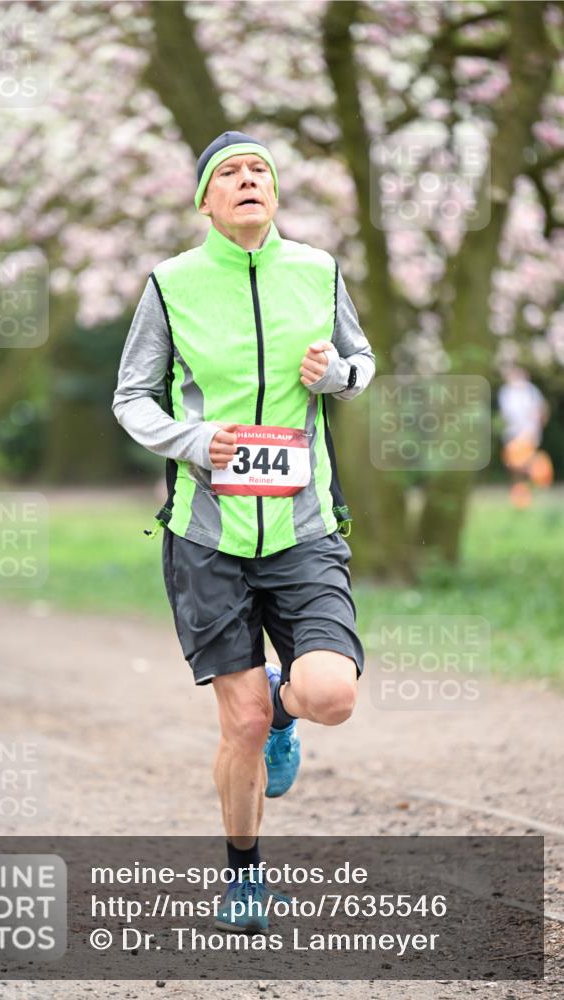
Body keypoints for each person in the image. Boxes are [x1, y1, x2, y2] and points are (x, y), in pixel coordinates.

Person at [112, 131, 375, 932]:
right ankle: (245, 877)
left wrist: (333, 376)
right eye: (228, 173)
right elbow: (132, 397)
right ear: (205, 201)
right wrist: (194, 442)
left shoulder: (318, 270)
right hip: (207, 536)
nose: (247, 179)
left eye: (259, 169)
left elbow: (362, 364)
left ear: (274, 191)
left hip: (303, 530)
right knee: (241, 725)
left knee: (329, 694)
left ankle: (285, 705)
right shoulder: (171, 285)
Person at [498, 365, 553, 508]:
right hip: (512, 433)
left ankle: (532, 486)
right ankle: (520, 493)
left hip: (528, 432)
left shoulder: (531, 391)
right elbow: (506, 414)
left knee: (523, 463)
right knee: (514, 465)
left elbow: (542, 409)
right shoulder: (506, 392)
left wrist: (537, 424)